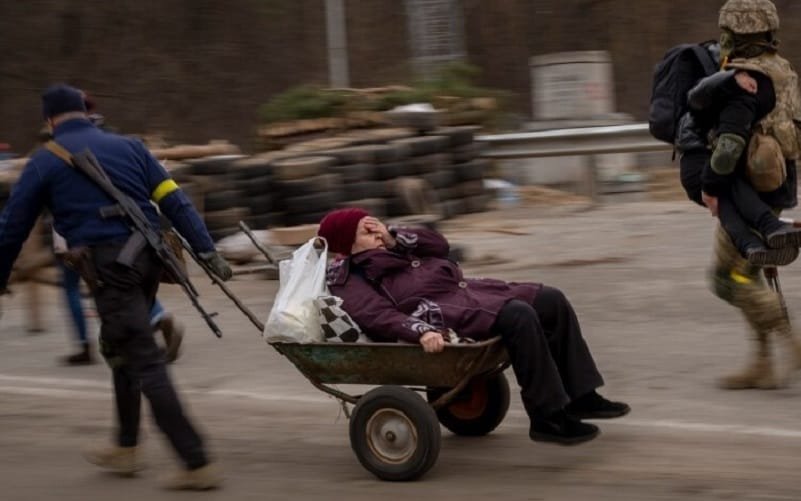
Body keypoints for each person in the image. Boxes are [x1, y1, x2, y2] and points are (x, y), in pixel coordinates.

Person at [0, 84, 233, 489]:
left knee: (143, 359)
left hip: (110, 269)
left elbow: (11, 229)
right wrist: (206, 249)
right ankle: (126, 448)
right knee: (121, 348)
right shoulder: (132, 147)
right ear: (86, 114)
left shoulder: (44, 161)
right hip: (148, 261)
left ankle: (196, 461)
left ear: (50, 120)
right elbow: (174, 200)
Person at [317, 208, 630, 446]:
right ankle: (547, 417)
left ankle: (581, 396)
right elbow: (377, 315)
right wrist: (420, 331)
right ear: (347, 243)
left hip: (470, 292)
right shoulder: (349, 278)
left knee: (550, 300)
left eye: (375, 225)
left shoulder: (394, 247)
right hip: (437, 312)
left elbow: (440, 244)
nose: (376, 232)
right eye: (366, 230)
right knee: (518, 315)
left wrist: (393, 237)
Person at [679, 0, 801, 389]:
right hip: (778, 181)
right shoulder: (783, 69)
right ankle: (762, 363)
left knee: (726, 278)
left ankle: (786, 335)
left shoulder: (743, 77)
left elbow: (731, 142)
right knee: (747, 271)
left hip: (748, 187)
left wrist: (711, 186)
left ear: (733, 33)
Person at [677, 45, 801, 266]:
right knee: (727, 185)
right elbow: (696, 97)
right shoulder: (723, 92)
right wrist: (732, 77)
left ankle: (752, 245)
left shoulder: (723, 94)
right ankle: (769, 227)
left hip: (703, 163)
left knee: (728, 198)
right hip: (697, 163)